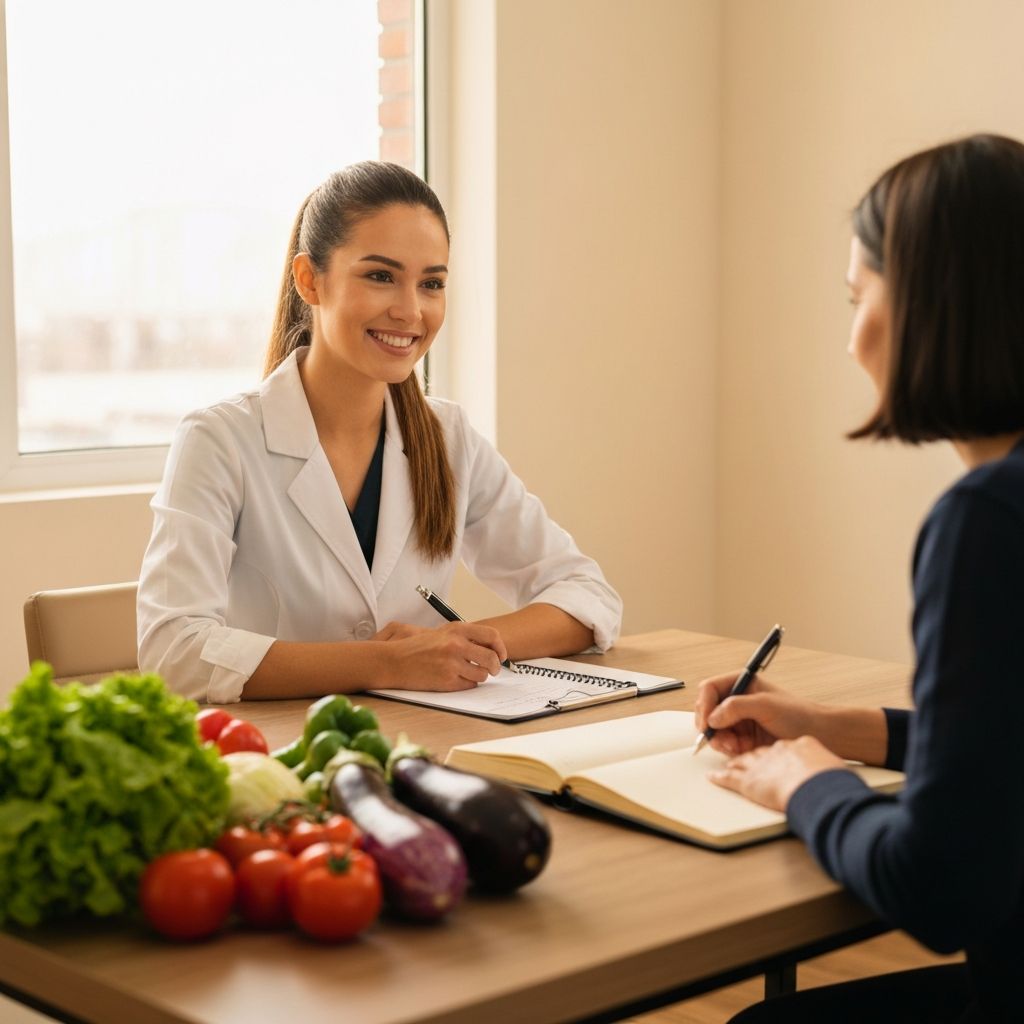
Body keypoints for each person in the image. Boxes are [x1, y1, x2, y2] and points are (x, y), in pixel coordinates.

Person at [695, 134, 1024, 1023]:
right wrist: (832, 728)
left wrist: (803, 782)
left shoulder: (989, 520)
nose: (851, 341)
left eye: (859, 297)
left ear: (933, 305)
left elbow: (940, 888)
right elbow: (1005, 751)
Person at [137, 162, 621, 703]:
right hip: (281, 756)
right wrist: (387, 662)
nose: (410, 311)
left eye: (431, 283)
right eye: (380, 276)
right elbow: (174, 651)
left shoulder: (448, 436)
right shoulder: (220, 440)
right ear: (309, 280)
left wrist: (453, 645)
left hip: (421, 746)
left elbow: (587, 595)